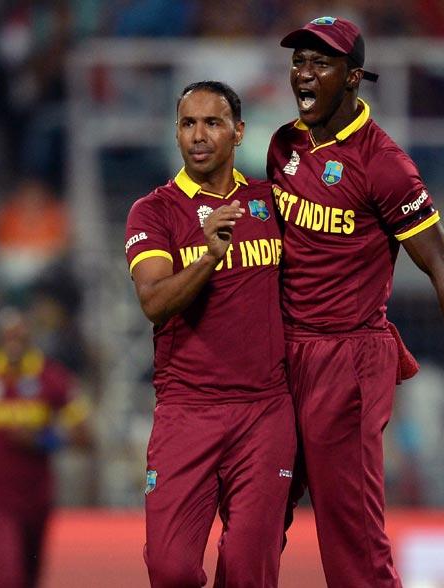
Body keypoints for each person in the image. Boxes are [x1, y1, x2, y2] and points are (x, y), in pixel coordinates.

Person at [267, 16, 444, 587]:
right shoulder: (282, 145)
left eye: (320, 63)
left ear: (353, 78)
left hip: (346, 358)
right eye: (299, 61)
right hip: (280, 356)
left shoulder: (385, 166)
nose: (304, 72)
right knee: (254, 516)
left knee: (350, 536)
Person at [124, 81, 296, 587]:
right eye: (187, 123)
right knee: (171, 569)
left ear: (239, 132)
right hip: (187, 410)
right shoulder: (154, 211)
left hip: (265, 411)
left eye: (213, 122)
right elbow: (154, 302)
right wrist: (208, 257)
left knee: (249, 570)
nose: (199, 135)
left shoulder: (271, 204)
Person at [0, 307, 91, 588]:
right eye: (8, 336)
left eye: (20, 335)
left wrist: (42, 439)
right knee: (8, 577)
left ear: (30, 338)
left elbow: (84, 438)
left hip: (37, 495)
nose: (14, 341)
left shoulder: (52, 378)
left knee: (28, 578)